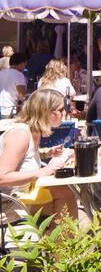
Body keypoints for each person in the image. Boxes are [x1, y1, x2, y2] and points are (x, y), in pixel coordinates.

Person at [0, 88, 79, 226]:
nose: (65, 113)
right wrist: (42, 171)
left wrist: (44, 154)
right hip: (7, 205)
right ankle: (63, 242)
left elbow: (23, 157)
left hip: (19, 198)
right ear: (46, 112)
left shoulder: (32, 133)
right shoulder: (21, 134)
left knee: (63, 192)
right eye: (61, 110)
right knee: (63, 194)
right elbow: (2, 177)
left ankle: (58, 239)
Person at [0, 52, 28, 118]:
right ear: (21, 63)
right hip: (10, 110)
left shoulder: (1, 73)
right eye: (24, 65)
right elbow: (22, 97)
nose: (24, 67)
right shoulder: (19, 75)